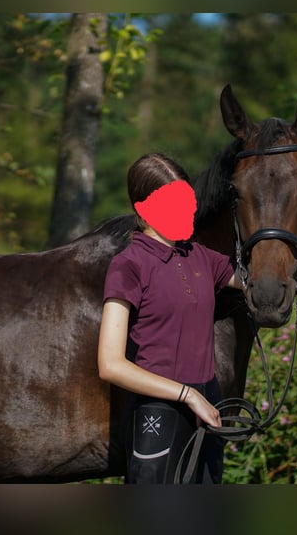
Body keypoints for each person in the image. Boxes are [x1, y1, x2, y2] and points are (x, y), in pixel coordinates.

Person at [98, 153, 242, 484]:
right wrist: (187, 395)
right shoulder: (129, 264)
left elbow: (266, 283)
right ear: (142, 206)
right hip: (159, 414)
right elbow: (110, 364)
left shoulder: (200, 257)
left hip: (207, 412)